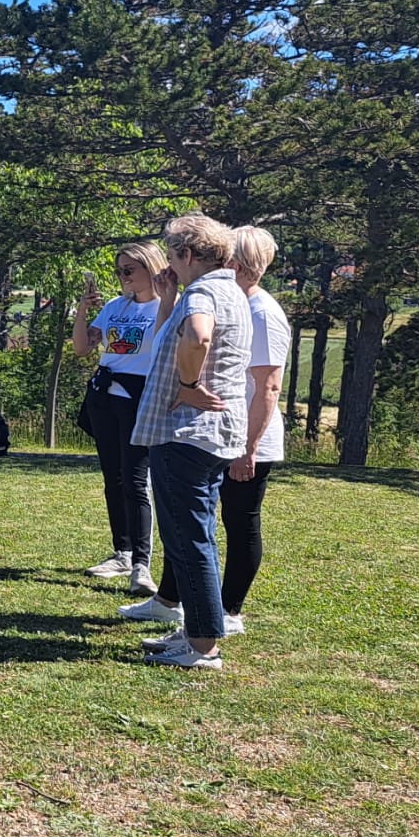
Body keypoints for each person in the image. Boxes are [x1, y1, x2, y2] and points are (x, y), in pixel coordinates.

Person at [119, 215, 251, 670]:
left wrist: (189, 385)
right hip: (213, 436)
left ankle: (202, 647)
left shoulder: (204, 293)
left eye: (174, 255)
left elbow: (197, 336)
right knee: (198, 537)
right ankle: (196, 631)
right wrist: (171, 296)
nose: (170, 263)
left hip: (185, 434)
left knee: (187, 541)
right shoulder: (231, 290)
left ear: (189, 254)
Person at [144, 225, 288, 636]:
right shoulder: (227, 298)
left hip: (235, 431)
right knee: (192, 527)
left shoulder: (259, 311)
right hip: (215, 426)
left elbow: (268, 386)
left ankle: (225, 615)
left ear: (239, 263)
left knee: (233, 524)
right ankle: (176, 604)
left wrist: (249, 447)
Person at [71, 241, 173, 595]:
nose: (123, 277)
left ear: (151, 267)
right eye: (119, 271)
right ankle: (123, 552)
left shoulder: (167, 306)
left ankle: (142, 565)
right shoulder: (116, 306)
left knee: (135, 480)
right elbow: (82, 348)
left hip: (139, 397)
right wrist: (82, 311)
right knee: (113, 478)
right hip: (104, 396)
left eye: (129, 270)